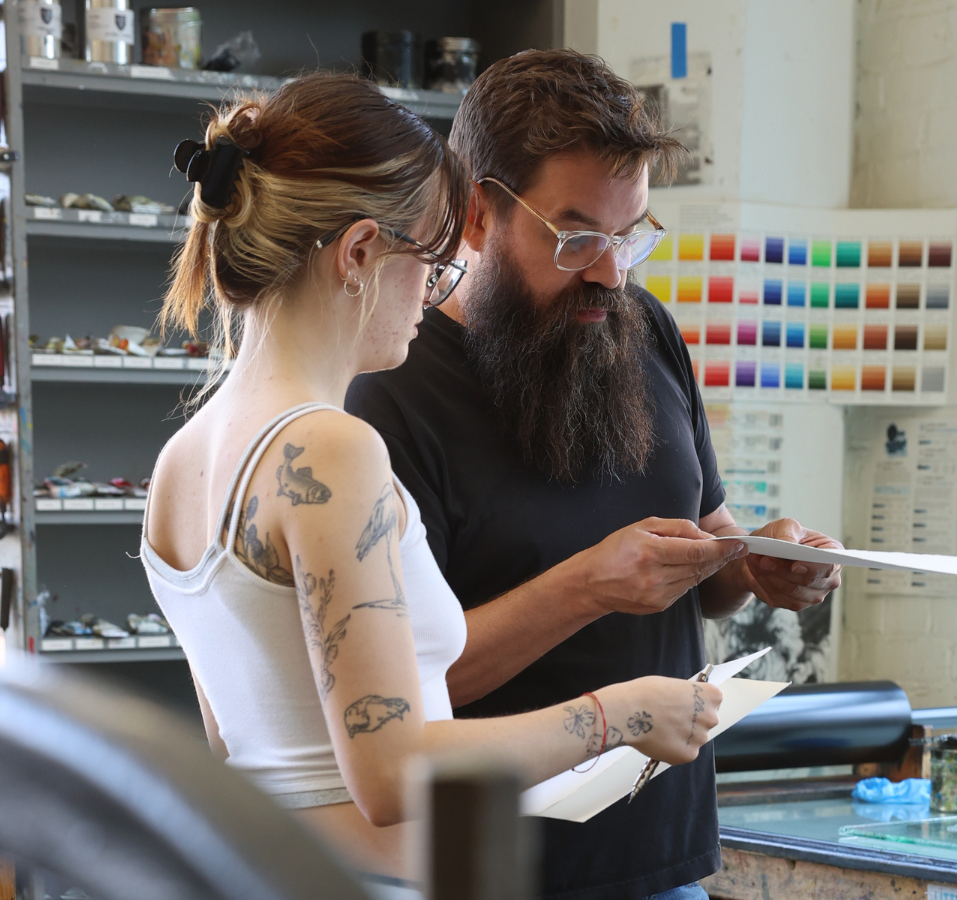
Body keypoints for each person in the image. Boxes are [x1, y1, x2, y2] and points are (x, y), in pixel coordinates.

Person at [139, 74, 725, 898]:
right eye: (429, 261)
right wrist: (620, 714)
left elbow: (241, 752)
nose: (437, 289)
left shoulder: (183, 461)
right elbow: (391, 772)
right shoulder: (331, 451)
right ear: (358, 254)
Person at [346, 50, 845, 900]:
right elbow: (401, 693)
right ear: (477, 213)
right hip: (491, 872)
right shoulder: (391, 393)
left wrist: (756, 562)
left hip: (665, 851)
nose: (613, 272)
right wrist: (585, 587)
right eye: (578, 238)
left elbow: (705, 552)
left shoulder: (644, 328)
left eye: (632, 234)